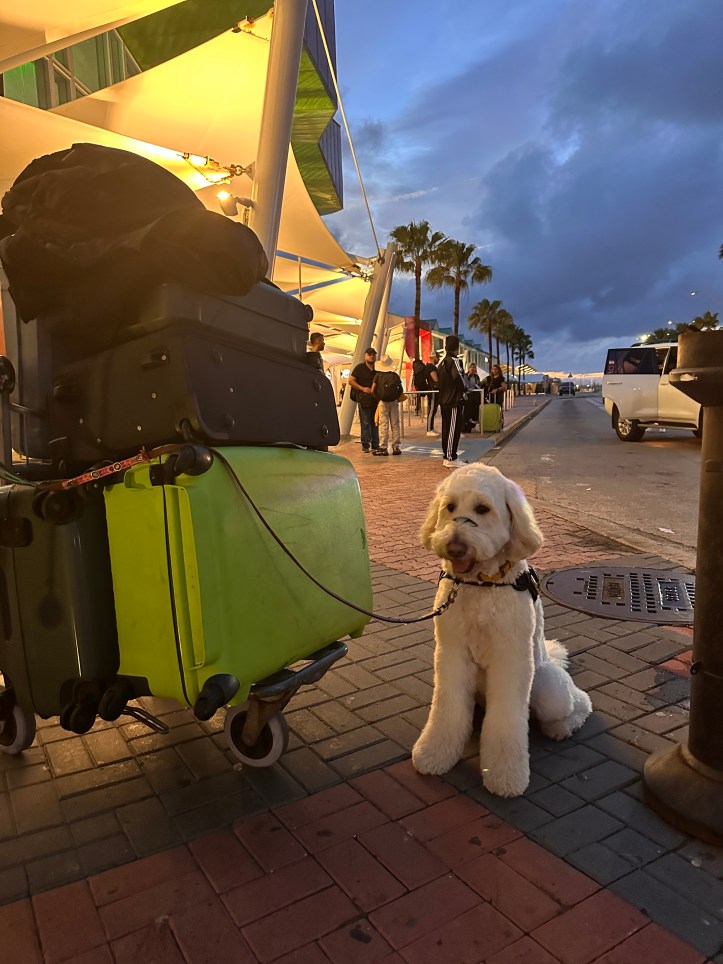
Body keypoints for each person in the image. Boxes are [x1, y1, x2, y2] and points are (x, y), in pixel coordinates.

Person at [437, 335, 468, 468]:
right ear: (457, 347)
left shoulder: (442, 362)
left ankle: (447, 455)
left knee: (446, 428)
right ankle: (451, 457)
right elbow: (459, 377)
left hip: (444, 399)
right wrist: (466, 388)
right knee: (453, 430)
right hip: (454, 400)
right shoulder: (454, 361)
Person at [349, 346, 379, 453]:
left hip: (375, 400)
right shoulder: (360, 368)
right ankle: (365, 445)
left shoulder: (377, 369)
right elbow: (351, 381)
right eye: (370, 354)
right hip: (364, 399)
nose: (372, 356)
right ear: (365, 356)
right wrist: (363, 389)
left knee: (375, 422)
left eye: (373, 355)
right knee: (365, 422)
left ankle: (375, 444)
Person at [372, 354, 403, 456]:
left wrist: (379, 398)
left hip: (383, 402)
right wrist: (396, 398)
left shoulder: (378, 376)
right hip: (394, 402)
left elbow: (373, 390)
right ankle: (396, 447)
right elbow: (401, 390)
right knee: (395, 424)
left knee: (383, 424)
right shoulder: (395, 376)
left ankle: (383, 447)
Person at [423, 351, 441, 436]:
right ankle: (429, 429)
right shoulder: (431, 368)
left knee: (433, 410)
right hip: (433, 391)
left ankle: (431, 428)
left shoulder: (429, 367)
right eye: (438, 357)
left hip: (432, 390)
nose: (439, 359)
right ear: (434, 358)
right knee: (432, 410)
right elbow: (435, 379)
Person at [463, 362, 483, 432]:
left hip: (475, 396)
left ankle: (472, 424)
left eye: (474, 367)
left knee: (475, 411)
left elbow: (478, 384)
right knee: (467, 411)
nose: (472, 369)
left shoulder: (476, 376)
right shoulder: (465, 376)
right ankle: (466, 427)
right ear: (468, 368)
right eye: (471, 367)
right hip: (468, 396)